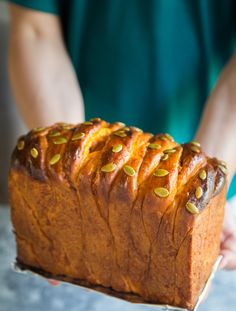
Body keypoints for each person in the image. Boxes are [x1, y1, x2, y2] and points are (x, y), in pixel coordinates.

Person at [7, 0, 236, 275]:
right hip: (75, 157)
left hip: (220, 161)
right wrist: (67, 193)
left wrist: (204, 205)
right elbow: (36, 30)